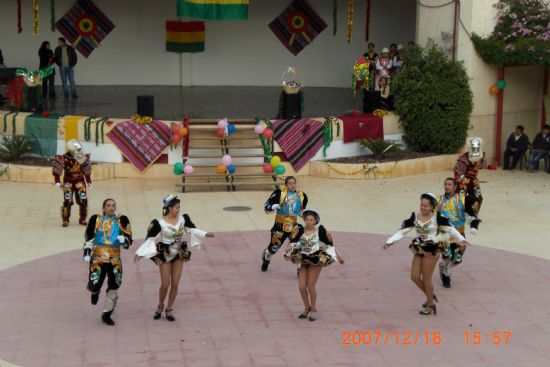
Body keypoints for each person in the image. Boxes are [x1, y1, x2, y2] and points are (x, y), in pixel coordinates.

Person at [384, 193, 468, 315]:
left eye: (426, 206)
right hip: (419, 248)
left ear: (432, 206)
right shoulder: (415, 217)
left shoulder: (437, 218)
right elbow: (402, 231)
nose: (423, 208)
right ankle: (430, 295)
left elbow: (450, 229)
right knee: (414, 277)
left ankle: (430, 305)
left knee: (426, 279)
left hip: (432, 249)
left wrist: (461, 239)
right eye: (421, 205)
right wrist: (390, 241)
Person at [134, 195, 214, 321]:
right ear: (170, 208)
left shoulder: (183, 219)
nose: (178, 210)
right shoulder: (158, 223)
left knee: (175, 283)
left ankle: (169, 309)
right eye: (176, 207)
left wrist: (205, 233)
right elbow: (149, 239)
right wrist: (140, 253)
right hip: (165, 253)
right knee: (165, 284)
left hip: (179, 252)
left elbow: (192, 229)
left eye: (179, 207)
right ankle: (160, 306)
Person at [284, 210, 344, 321]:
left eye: (311, 220)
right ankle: (306, 307)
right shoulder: (300, 232)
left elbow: (329, 245)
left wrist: (339, 256)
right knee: (302, 287)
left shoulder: (319, 233)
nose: (309, 222)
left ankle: (314, 309)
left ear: (315, 221)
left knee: (311, 286)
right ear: (304, 220)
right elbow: (295, 243)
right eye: (307, 219)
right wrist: (290, 247)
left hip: (316, 261)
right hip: (304, 260)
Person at [83, 198, 132, 326]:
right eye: (108, 206)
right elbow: (89, 237)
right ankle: (95, 290)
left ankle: (106, 313)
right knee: (94, 282)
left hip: (115, 258)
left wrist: (124, 241)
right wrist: (87, 252)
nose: (111, 208)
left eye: (113, 206)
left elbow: (128, 242)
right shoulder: (96, 220)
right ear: (103, 208)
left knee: (114, 285)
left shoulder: (121, 221)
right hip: (98, 257)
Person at [437, 178, 480, 288]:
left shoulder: (462, 199)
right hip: (444, 235)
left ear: (455, 186)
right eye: (445, 184)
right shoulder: (439, 200)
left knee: (457, 259)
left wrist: (473, 225)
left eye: (450, 184)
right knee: (447, 256)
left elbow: (471, 214)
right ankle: (446, 277)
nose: (447, 186)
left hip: (459, 235)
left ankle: (446, 267)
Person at [261, 176, 308, 272]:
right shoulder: (279, 193)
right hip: (279, 228)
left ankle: (300, 268)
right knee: (273, 249)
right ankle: (266, 257)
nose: (292, 185)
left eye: (294, 183)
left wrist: (306, 217)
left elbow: (299, 211)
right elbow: (266, 206)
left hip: (293, 228)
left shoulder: (302, 196)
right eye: (290, 183)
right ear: (286, 184)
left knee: (298, 247)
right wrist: (273, 206)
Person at [52, 139, 92, 227]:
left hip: (80, 181)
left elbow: (86, 170)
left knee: (83, 200)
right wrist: (57, 181)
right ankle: (65, 219)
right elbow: (57, 171)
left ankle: (83, 218)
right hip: (68, 182)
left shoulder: (82, 157)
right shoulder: (63, 158)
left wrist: (89, 181)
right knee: (67, 200)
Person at [453, 137, 493, 221]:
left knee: (478, 197)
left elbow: (482, 165)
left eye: (477, 148)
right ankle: (459, 214)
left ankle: (474, 214)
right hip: (464, 180)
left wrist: (489, 167)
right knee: (461, 197)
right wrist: (460, 180)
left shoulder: (481, 156)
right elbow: (457, 171)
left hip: (474, 180)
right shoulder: (463, 158)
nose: (476, 150)